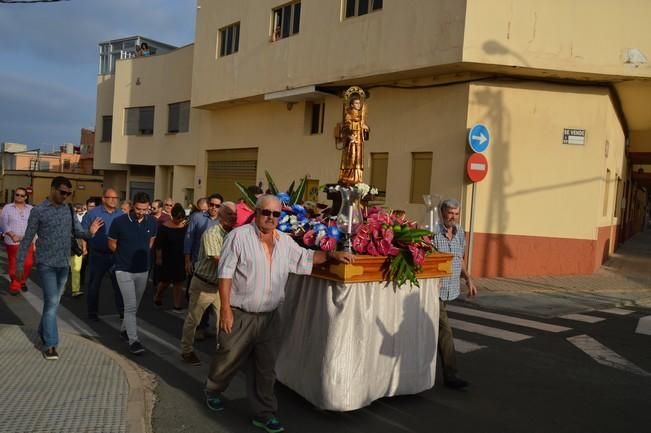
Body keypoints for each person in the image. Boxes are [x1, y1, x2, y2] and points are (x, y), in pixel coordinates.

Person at [204, 195, 354, 432]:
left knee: (265, 368)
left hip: (270, 317)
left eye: (276, 214)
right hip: (240, 313)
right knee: (227, 359)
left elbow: (306, 258)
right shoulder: (238, 237)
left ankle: (264, 413)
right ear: (257, 212)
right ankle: (213, 388)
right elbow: (225, 274)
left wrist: (332, 255)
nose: (271, 218)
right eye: (266, 213)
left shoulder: (285, 241)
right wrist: (225, 310)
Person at [16, 176, 103, 360]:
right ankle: (51, 344)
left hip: (64, 264)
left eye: (68, 193)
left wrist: (91, 232)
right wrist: (20, 264)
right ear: (53, 189)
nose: (65, 196)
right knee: (51, 303)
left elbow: (78, 232)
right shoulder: (39, 211)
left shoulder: (69, 210)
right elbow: (27, 239)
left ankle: (43, 331)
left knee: (53, 304)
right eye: (62, 192)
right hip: (46, 264)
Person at [180, 201, 236, 366]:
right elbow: (216, 259)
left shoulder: (233, 234)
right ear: (220, 216)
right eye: (229, 214)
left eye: (235, 215)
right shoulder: (212, 233)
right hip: (204, 285)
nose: (233, 217)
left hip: (220, 287)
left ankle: (222, 354)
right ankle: (186, 350)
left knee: (223, 322)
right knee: (194, 320)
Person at [431, 198, 478, 389]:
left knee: (433, 331)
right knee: (445, 332)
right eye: (450, 213)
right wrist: (434, 277)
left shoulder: (459, 234)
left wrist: (468, 279)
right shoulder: (432, 233)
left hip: (450, 289)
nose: (453, 217)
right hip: (434, 291)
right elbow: (426, 258)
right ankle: (451, 375)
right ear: (442, 213)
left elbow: (460, 259)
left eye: (457, 213)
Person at [108, 192, 157, 355]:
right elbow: (112, 243)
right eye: (138, 209)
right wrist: (123, 257)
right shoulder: (119, 222)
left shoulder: (152, 221)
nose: (141, 212)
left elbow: (151, 241)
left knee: (134, 305)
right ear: (132, 206)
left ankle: (124, 331)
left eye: (145, 209)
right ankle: (134, 340)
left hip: (143, 269)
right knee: (129, 305)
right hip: (123, 270)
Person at [184, 193, 223, 338]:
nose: (213, 208)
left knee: (213, 301)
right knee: (196, 298)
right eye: (211, 204)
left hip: (216, 269)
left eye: (217, 206)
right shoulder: (197, 217)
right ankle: (197, 328)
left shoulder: (223, 221)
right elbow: (189, 238)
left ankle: (206, 327)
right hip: (197, 264)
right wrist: (187, 260)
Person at [82, 188, 125, 321]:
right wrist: (85, 247)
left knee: (119, 285)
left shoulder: (121, 214)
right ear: (103, 199)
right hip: (98, 255)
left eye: (116, 198)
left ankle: (123, 312)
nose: (114, 200)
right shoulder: (92, 214)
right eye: (110, 197)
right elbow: (82, 233)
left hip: (115, 255)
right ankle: (92, 313)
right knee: (94, 285)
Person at [154, 203, 188, 311]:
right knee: (166, 281)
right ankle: (158, 295)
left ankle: (177, 304)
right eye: (177, 218)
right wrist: (159, 258)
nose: (178, 220)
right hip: (168, 257)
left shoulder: (185, 227)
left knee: (178, 282)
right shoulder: (164, 227)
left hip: (180, 257)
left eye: (181, 218)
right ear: (172, 216)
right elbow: (159, 244)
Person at [1, 187, 34, 295]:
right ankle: (15, 286)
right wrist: (11, 234)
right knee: (14, 265)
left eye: (21, 195)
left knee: (28, 263)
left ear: (26, 197)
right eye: (17, 194)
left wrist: (35, 239)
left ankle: (21, 280)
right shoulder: (7, 208)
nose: (19, 197)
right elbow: (3, 224)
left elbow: (35, 224)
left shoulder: (31, 209)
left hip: (27, 240)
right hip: (12, 241)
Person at [338, 91, 369, 186]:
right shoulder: (348, 115)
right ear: (351, 105)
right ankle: (349, 176)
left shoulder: (361, 116)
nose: (358, 105)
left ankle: (357, 177)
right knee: (351, 158)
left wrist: (366, 129)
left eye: (359, 103)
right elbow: (345, 128)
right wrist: (351, 132)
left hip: (359, 140)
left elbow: (365, 129)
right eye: (356, 103)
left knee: (358, 159)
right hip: (351, 140)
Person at [69, 203, 86, 297]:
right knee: (62, 270)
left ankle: (75, 290)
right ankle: (61, 289)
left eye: (76, 211)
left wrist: (84, 247)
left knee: (76, 270)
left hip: (76, 248)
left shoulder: (78, 221)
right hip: (64, 248)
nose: (75, 212)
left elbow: (82, 235)